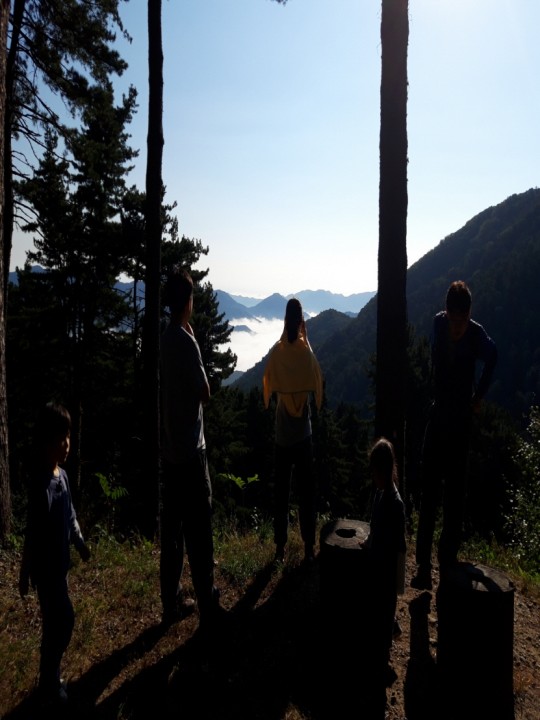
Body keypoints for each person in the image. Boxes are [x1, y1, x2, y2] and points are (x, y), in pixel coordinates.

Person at [411, 280, 497, 590]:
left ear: (469, 315)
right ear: (446, 312)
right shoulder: (439, 323)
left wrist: (478, 397)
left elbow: (493, 356)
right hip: (438, 418)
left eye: (461, 320)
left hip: (460, 422)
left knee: (454, 497)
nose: (456, 326)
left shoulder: (476, 334)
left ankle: (446, 563)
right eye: (452, 318)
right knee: (429, 494)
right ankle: (423, 566)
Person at [159, 267, 223, 631]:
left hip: (170, 450)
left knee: (173, 532)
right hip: (191, 450)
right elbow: (205, 393)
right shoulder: (186, 342)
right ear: (187, 303)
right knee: (200, 530)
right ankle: (207, 603)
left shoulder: (167, 337)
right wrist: (196, 346)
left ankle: (170, 603)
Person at [19, 402, 91, 707]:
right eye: (60, 438)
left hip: (60, 569)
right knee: (62, 622)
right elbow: (32, 533)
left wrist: (79, 541)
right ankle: (49, 680)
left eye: (68, 436)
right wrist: (25, 572)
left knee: (57, 625)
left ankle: (50, 675)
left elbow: (70, 514)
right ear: (45, 442)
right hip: (46, 574)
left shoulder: (62, 477)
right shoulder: (42, 486)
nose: (66, 443)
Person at [262, 297, 323, 563]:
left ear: (285, 321)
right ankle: (309, 547)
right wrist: (306, 341)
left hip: (282, 434)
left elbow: (268, 380)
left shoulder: (278, 353)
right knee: (306, 493)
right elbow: (316, 376)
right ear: (301, 323)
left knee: (281, 494)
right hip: (303, 436)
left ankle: (279, 549)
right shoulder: (305, 354)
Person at [366, 437, 407, 673]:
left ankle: (383, 656)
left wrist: (398, 581)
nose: (373, 477)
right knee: (380, 611)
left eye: (375, 472)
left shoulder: (395, 504)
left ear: (384, 470)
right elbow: (375, 527)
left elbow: (399, 546)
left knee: (384, 609)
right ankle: (385, 635)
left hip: (386, 572)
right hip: (379, 567)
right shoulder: (381, 494)